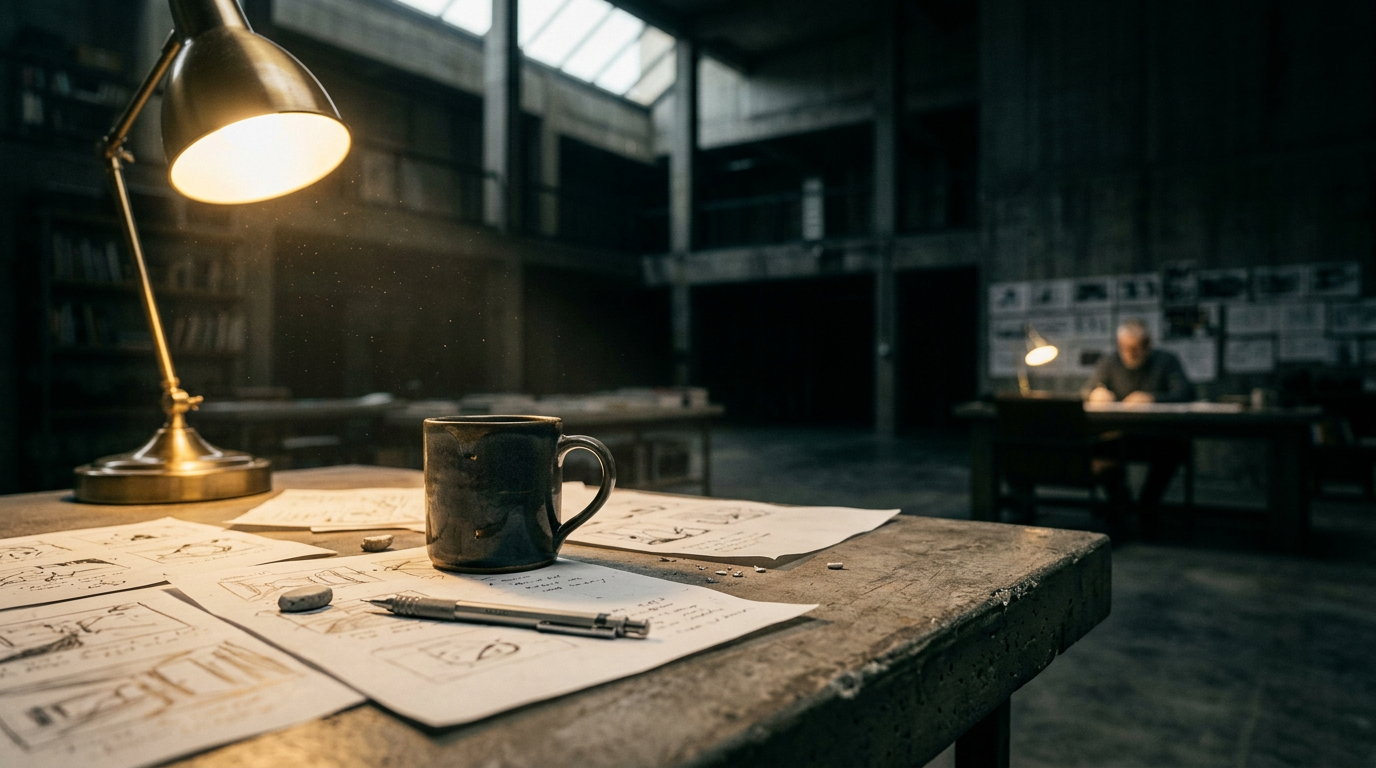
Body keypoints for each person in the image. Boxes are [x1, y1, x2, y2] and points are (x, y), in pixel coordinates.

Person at [1086, 319, 1194, 535]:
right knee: (1099, 452)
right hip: (1119, 436)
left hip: (1158, 437)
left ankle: (1148, 506)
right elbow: (1088, 390)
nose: (1129, 354)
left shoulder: (1166, 360)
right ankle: (1122, 505)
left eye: (1135, 348)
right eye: (1124, 348)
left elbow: (1185, 393)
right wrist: (1096, 392)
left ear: (1148, 344)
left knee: (1172, 450)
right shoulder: (1109, 361)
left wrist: (1153, 398)